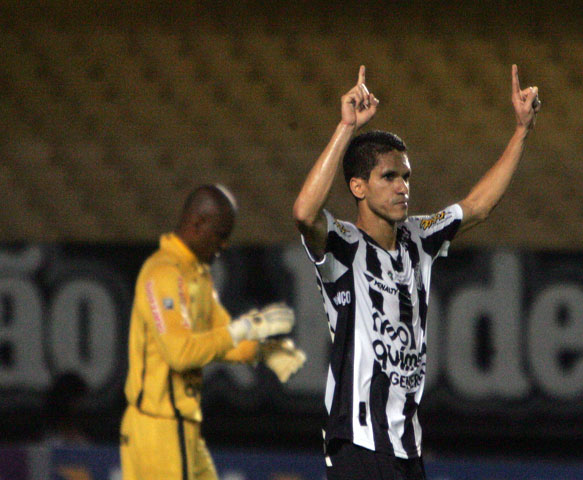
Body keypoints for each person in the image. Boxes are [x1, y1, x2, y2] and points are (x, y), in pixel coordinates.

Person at [293, 65, 540, 480]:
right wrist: (345, 127)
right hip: (357, 442)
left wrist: (521, 131)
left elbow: (478, 205)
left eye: (406, 176)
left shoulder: (420, 235)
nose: (402, 186)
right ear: (358, 187)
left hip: (406, 443)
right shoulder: (342, 245)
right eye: (388, 177)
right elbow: (304, 213)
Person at [120, 184, 306, 480]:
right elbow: (181, 354)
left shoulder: (197, 275)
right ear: (197, 224)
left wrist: (263, 352)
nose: (223, 246)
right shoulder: (164, 274)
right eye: (220, 235)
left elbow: (223, 339)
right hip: (158, 429)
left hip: (181, 426)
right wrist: (245, 327)